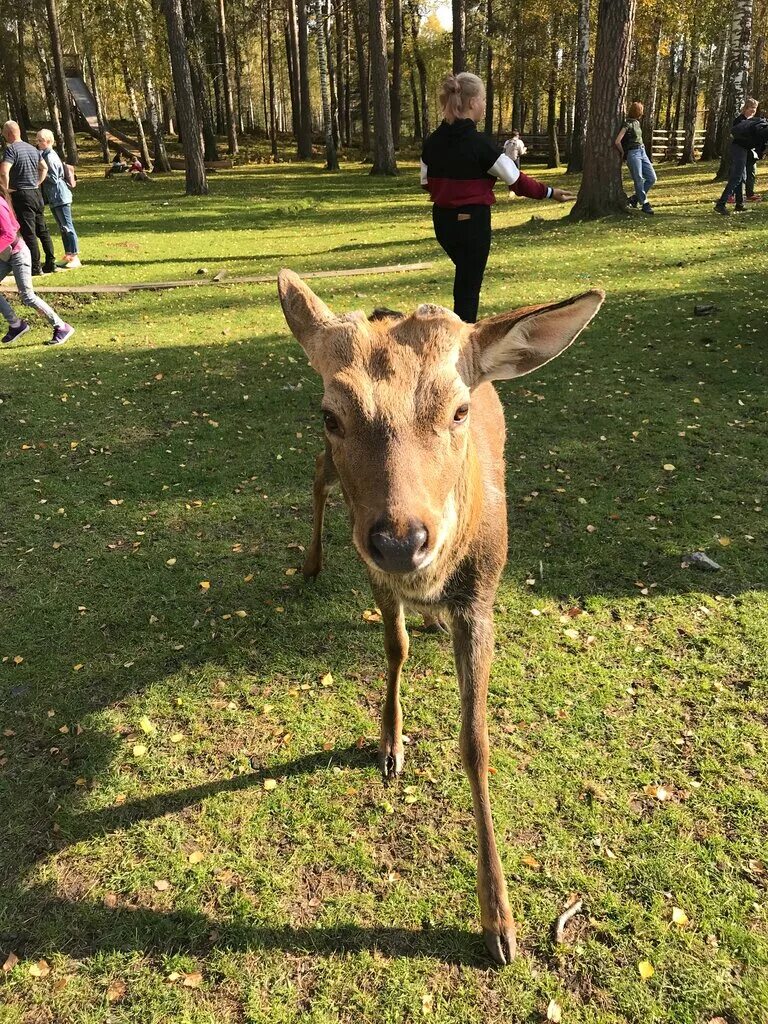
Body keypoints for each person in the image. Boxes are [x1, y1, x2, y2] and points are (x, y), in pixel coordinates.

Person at [420, 73, 574, 324]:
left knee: (465, 280)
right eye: (482, 99)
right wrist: (550, 192)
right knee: (468, 291)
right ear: (471, 103)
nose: (484, 105)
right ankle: (462, 345)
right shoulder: (481, 144)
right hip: (472, 224)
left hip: (442, 223)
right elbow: (516, 180)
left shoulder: (432, 142)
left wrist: (449, 192)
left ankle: (457, 334)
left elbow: (426, 182)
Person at [0, 181, 74, 346]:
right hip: (5, 256)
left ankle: (61, 326)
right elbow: (15, 224)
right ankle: (16, 325)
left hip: (18, 254)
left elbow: (9, 234)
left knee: (27, 296)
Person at [0, 120, 57, 274]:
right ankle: (51, 262)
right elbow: (44, 167)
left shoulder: (11, 150)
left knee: (28, 232)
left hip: (21, 194)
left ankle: (35, 267)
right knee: (42, 229)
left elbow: (4, 171)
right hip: (36, 193)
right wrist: (37, 182)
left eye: (4, 133)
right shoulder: (32, 148)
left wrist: (5, 191)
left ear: (9, 133)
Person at [36, 129, 82, 270]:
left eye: (40, 140)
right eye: (37, 140)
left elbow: (55, 178)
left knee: (67, 226)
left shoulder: (50, 156)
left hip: (60, 195)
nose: (37, 143)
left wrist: (41, 173)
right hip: (54, 197)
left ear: (48, 141)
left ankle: (74, 255)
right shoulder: (44, 154)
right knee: (62, 227)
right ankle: (68, 255)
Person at [714, 111, 768, 216]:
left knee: (742, 176)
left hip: (742, 147)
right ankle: (721, 204)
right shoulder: (765, 131)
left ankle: (739, 204)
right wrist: (761, 152)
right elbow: (759, 143)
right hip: (740, 147)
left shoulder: (764, 127)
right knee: (737, 177)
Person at [613, 101, 657, 215]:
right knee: (638, 179)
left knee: (652, 178)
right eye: (641, 110)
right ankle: (645, 204)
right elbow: (617, 141)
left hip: (642, 152)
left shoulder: (637, 123)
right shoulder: (627, 124)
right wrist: (623, 153)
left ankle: (634, 199)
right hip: (633, 154)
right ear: (637, 111)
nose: (642, 113)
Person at [729, 98, 761, 205]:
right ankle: (732, 195)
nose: (753, 110)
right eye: (752, 108)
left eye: (755, 108)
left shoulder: (754, 121)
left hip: (751, 150)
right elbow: (737, 134)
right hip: (740, 149)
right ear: (746, 108)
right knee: (739, 174)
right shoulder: (739, 120)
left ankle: (749, 193)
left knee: (751, 171)